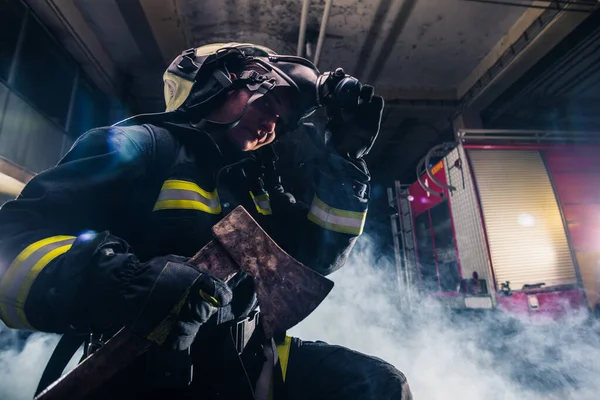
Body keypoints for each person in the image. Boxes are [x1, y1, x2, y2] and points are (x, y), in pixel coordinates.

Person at [0, 43, 411, 399]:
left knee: (377, 386)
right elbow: (12, 245)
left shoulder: (257, 183)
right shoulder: (139, 146)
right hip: (145, 369)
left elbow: (316, 257)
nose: (272, 124)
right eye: (268, 101)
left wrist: (346, 161)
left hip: (249, 359)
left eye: (282, 122)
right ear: (217, 82)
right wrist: (125, 284)